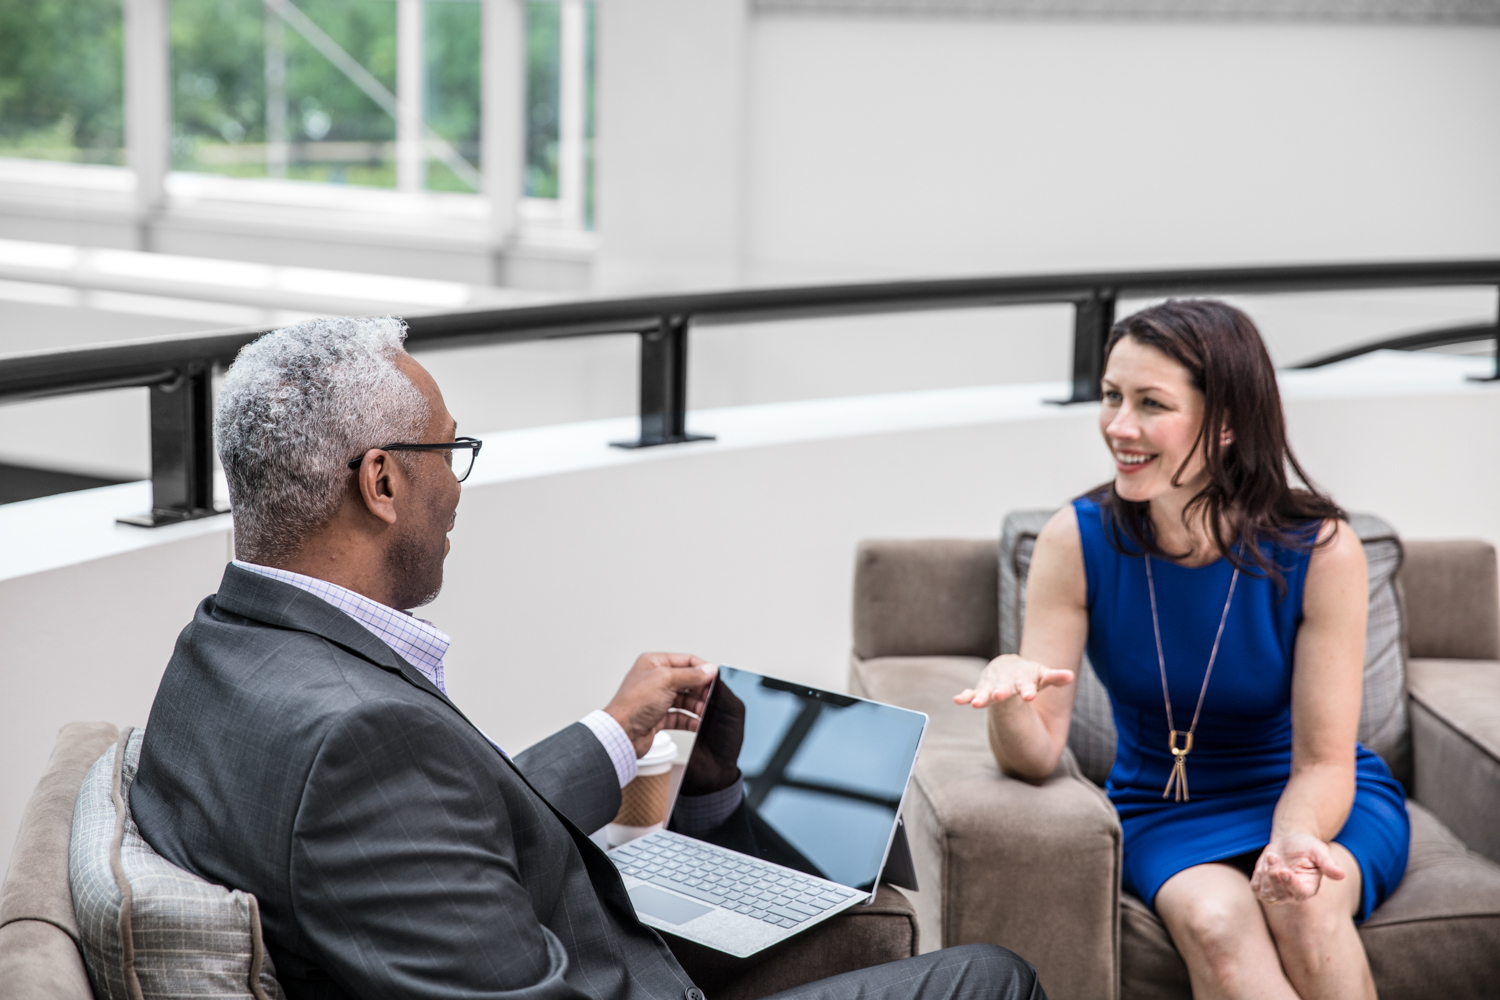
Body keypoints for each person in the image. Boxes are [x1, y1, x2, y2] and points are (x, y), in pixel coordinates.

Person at [130, 317, 1044, 1000]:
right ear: (381, 482)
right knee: (989, 977)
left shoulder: (220, 649)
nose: (455, 485)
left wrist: (613, 735)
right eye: (449, 451)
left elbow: (430, 826)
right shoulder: (357, 736)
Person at [954, 300, 1409, 1000]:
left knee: (1307, 904)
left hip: (1312, 797)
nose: (1118, 427)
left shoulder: (1322, 551)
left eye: (1151, 403)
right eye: (1111, 396)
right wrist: (1010, 694)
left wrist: (1293, 841)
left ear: (1225, 423)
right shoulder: (1075, 541)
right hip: (1163, 808)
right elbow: (1036, 753)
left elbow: (1324, 759)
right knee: (1215, 921)